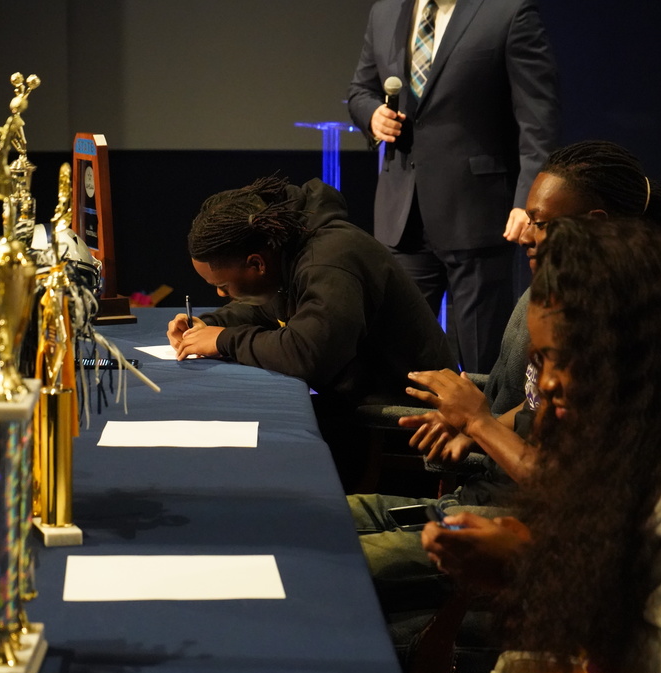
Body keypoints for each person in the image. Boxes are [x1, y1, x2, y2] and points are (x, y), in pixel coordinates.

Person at [348, 140, 661, 664]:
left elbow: (578, 492)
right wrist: (470, 424)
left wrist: (481, 423)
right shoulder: (547, 298)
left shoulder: (629, 332)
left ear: (594, 222)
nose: (522, 233)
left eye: (539, 221)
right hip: (483, 502)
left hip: (528, 533)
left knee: (331, 566)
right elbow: (530, 410)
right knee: (325, 520)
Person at [422, 216, 661, 673]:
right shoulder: (650, 426)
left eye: (565, 355)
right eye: (540, 360)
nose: (549, 383)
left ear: (635, 343)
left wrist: (532, 574)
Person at [167, 175, 455, 491]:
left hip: (401, 426)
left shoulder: (328, 261)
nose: (222, 294)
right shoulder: (290, 247)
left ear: (256, 264)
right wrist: (210, 324)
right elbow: (268, 307)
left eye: (222, 286)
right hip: (360, 401)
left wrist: (224, 340)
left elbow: (307, 354)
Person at [347, 0, 560, 374]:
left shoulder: (508, 13)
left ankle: (483, 432)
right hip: (403, 215)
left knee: (482, 361)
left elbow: (537, 119)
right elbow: (361, 90)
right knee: (396, 357)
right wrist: (371, 115)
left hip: (476, 213)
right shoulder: (386, 12)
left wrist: (528, 200)